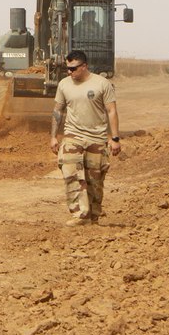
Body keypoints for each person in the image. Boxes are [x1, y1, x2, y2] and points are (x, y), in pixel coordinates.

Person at [49, 49, 121, 226]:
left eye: (73, 68)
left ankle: (93, 216)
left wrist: (115, 138)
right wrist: (53, 136)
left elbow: (111, 111)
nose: (69, 72)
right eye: (68, 68)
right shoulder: (64, 85)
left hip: (97, 137)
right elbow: (58, 111)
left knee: (94, 180)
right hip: (73, 136)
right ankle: (79, 214)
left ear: (84, 66)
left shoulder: (102, 84)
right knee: (71, 174)